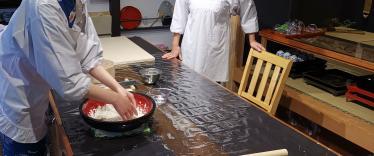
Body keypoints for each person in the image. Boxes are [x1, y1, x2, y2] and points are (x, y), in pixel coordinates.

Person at [0, 0, 137, 155]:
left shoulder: (77, 2)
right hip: (18, 87)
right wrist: (115, 99)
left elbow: (87, 52)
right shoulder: (43, 5)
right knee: (26, 144)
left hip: (38, 82)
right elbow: (68, 82)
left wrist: (118, 88)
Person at [162, 0, 265, 82]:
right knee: (188, 85)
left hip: (214, 50)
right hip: (191, 46)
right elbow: (179, 16)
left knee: (210, 91)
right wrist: (175, 46)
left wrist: (252, 40)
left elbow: (248, 9)